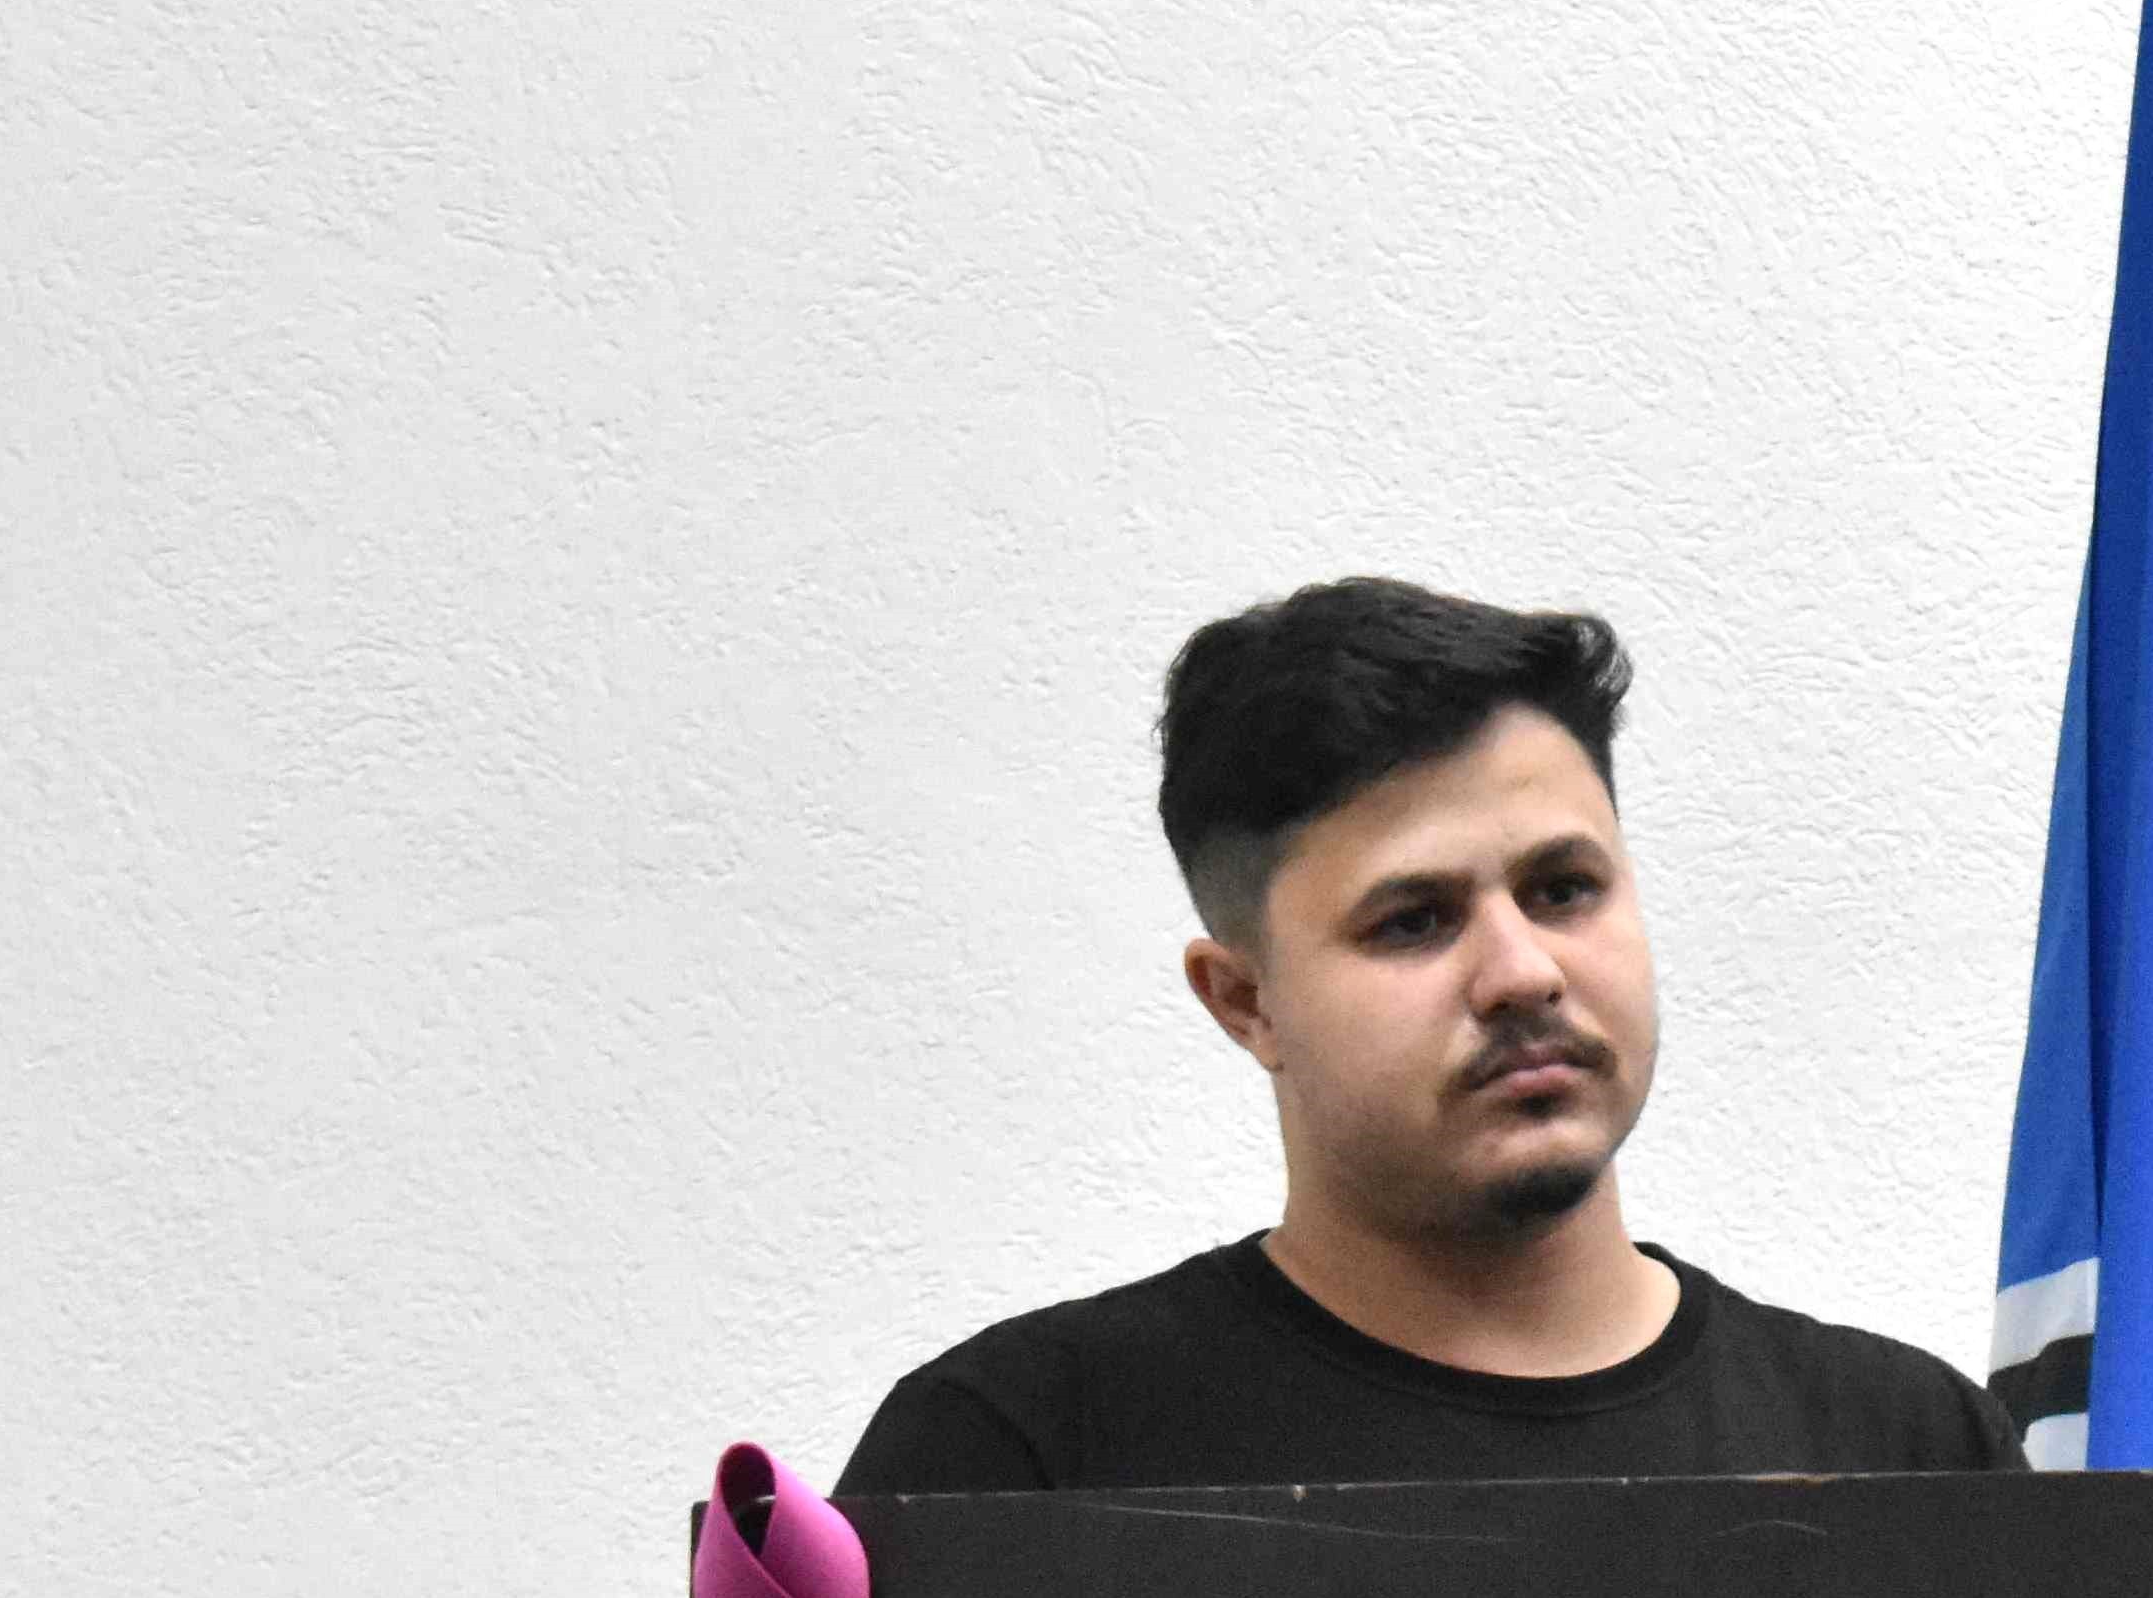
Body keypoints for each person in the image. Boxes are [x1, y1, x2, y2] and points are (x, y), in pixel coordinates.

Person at [839, 579, 2017, 1492]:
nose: (1522, 971)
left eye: (1564, 889)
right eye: (1414, 920)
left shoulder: (1912, 1452)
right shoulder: (1020, 1457)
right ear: (1245, 1001)